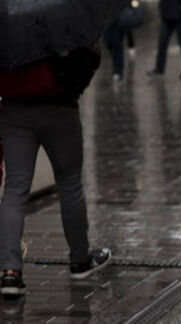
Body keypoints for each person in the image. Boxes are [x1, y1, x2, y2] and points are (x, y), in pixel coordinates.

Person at [0, 47, 112, 298]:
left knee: (15, 188)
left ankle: (10, 272)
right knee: (70, 184)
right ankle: (80, 261)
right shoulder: (60, 17)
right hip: (59, 105)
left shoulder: (6, 18)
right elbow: (90, 54)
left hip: (13, 107)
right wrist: (72, 86)